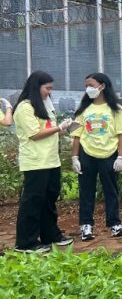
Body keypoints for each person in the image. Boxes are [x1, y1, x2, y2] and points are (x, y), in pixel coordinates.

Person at [13, 71, 75, 253]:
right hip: (35, 162)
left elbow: (50, 130)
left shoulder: (45, 106)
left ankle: (50, 235)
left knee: (49, 199)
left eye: (51, 88)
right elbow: (34, 134)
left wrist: (66, 128)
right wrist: (59, 127)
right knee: (32, 201)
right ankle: (26, 242)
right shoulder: (25, 108)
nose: (49, 92)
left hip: (51, 160)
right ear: (36, 87)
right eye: (47, 88)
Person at [71, 73, 122, 241]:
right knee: (86, 191)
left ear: (102, 86)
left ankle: (114, 224)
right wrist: (75, 158)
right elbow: (76, 135)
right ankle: (86, 226)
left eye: (91, 85)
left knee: (111, 190)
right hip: (87, 154)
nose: (88, 89)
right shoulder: (83, 110)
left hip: (109, 154)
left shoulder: (116, 110)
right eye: (86, 86)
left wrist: (121, 157)